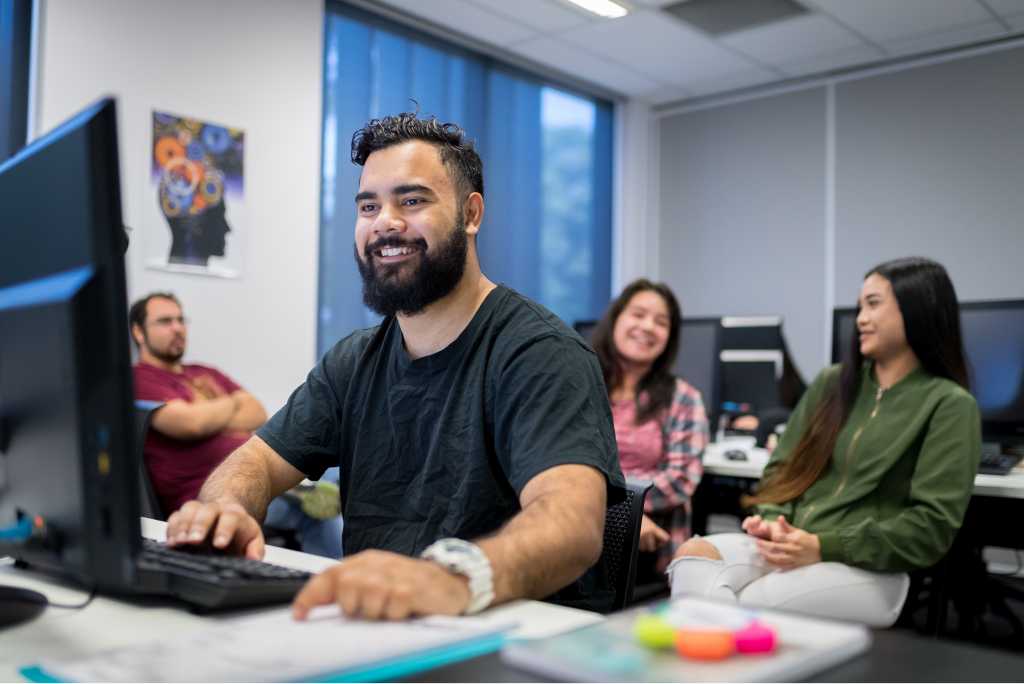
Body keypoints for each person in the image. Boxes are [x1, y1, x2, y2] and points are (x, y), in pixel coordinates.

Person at [164, 111, 626, 619]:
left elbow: (572, 525)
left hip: (516, 642)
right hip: (379, 629)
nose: (384, 222)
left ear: (471, 215)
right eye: (368, 206)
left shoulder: (540, 352)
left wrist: (448, 578)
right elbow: (255, 461)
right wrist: (226, 512)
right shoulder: (354, 359)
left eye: (411, 200)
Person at [667, 257, 981, 627]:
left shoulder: (949, 405)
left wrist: (822, 546)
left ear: (924, 305)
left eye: (874, 304)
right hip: (793, 542)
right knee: (692, 557)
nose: (861, 318)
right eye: (861, 305)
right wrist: (772, 523)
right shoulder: (833, 382)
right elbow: (782, 467)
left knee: (741, 606)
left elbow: (930, 528)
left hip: (869, 568)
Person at [130, 293, 345, 558]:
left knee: (344, 470)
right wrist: (232, 402)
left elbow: (257, 412)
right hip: (208, 496)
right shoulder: (138, 379)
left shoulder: (205, 372)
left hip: (257, 473)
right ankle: (340, 586)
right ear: (138, 332)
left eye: (180, 319)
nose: (177, 328)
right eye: (165, 321)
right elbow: (192, 425)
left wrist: (208, 414)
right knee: (318, 505)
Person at [590, 280, 708, 581]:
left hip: (646, 548)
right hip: (579, 523)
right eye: (638, 314)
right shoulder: (582, 385)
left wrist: (623, 511)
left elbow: (679, 479)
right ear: (615, 319)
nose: (648, 327)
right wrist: (617, 513)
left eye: (661, 322)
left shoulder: (683, 398)